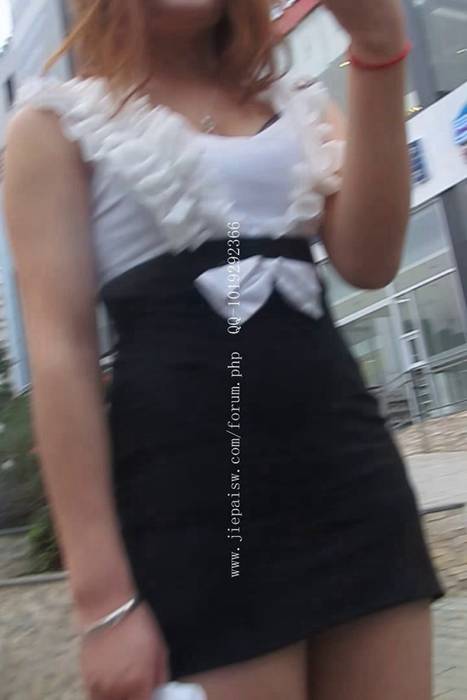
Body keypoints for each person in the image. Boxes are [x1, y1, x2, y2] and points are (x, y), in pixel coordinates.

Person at [3, 1, 443, 699]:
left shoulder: (296, 103)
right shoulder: (53, 126)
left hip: (351, 484)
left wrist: (378, 45)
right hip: (194, 516)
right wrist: (102, 603)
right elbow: (61, 358)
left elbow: (369, 260)